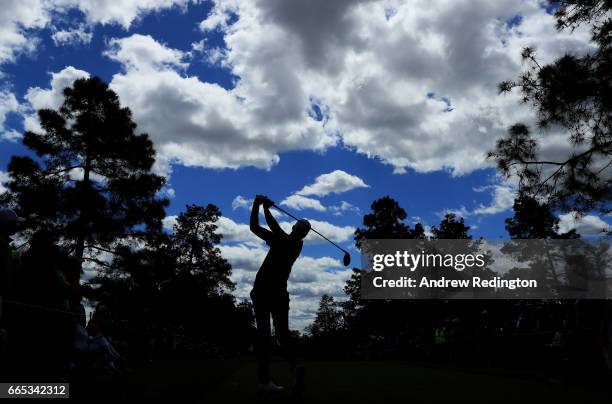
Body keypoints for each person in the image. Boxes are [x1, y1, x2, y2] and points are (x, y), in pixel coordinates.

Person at [249, 195, 310, 395]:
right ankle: (295, 366)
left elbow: (264, 226)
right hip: (280, 295)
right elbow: (258, 228)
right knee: (283, 334)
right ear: (305, 234)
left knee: (264, 335)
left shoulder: (287, 241)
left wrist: (260, 206)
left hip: (263, 291)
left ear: (295, 229)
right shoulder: (293, 244)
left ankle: (264, 381)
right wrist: (261, 206)